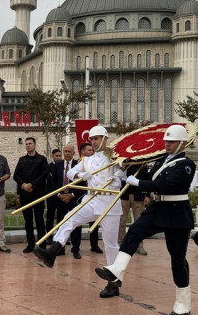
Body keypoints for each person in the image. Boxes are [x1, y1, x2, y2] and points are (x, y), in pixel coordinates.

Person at [95, 124, 196, 314]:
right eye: (166, 141)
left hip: (177, 213)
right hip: (158, 208)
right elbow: (149, 176)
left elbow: (167, 185)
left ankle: (183, 305)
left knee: (178, 260)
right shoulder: (161, 160)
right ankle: (117, 270)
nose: (166, 144)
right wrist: (127, 174)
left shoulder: (187, 165)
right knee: (134, 231)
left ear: (182, 143)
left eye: (171, 142)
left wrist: (139, 182)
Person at [36, 125, 125, 299]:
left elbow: (125, 172)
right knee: (69, 218)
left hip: (110, 202)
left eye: (97, 138)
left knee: (110, 244)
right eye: (92, 139)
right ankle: (53, 251)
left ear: (105, 139)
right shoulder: (87, 159)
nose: (93, 142)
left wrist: (119, 174)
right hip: (92, 199)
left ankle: (113, 283)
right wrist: (80, 176)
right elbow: (70, 173)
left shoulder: (115, 156)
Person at [14, 137, 49, 253]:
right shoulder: (22, 159)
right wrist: (23, 185)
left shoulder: (42, 159)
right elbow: (16, 175)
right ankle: (30, 243)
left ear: (35, 145)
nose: (28, 145)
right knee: (27, 220)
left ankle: (42, 244)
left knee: (39, 219)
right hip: (25, 194)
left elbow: (44, 175)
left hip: (38, 194)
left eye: (30, 143)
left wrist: (31, 185)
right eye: (26, 144)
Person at [52, 144, 82, 258]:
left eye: (69, 151)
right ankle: (60, 248)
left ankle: (75, 249)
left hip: (74, 199)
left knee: (76, 224)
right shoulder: (57, 165)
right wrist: (60, 195)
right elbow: (53, 182)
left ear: (73, 153)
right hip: (60, 199)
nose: (67, 153)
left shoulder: (78, 165)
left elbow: (82, 182)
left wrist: (72, 195)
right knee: (61, 223)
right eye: (65, 151)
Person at [119, 164, 148, 256]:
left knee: (139, 222)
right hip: (124, 194)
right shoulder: (123, 161)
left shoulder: (142, 163)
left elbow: (146, 179)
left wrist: (147, 195)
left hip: (138, 195)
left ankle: (139, 246)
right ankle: (121, 244)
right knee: (121, 221)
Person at [45, 148, 63, 239]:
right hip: (51, 195)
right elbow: (49, 179)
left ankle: (61, 236)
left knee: (61, 216)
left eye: (60, 156)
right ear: (52, 156)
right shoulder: (49, 167)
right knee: (50, 216)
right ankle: (49, 236)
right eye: (56, 156)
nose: (59, 158)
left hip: (61, 195)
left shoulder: (63, 165)